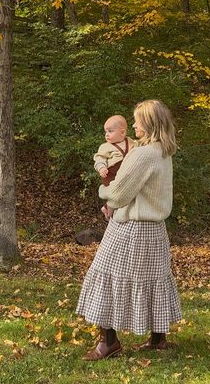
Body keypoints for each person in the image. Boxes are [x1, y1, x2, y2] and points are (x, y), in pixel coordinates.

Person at [77, 99, 182, 360]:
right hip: (155, 229)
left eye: (137, 120)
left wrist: (106, 196)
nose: (133, 124)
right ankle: (158, 339)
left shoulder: (142, 153)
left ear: (148, 123)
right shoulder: (163, 151)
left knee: (105, 275)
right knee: (153, 279)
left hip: (131, 228)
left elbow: (120, 192)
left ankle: (108, 342)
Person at [93, 114, 136, 220]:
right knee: (114, 192)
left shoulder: (131, 142)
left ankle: (108, 207)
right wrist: (101, 167)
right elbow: (99, 158)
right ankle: (108, 207)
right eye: (106, 132)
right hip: (110, 173)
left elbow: (139, 149)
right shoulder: (105, 147)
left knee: (124, 192)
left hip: (124, 172)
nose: (107, 135)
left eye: (110, 131)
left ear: (122, 132)